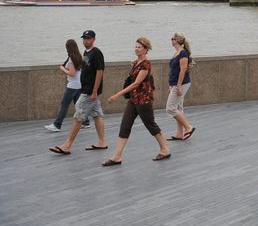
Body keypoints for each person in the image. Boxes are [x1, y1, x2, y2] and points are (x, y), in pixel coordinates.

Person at [102, 37, 170, 165]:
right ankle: (117, 156)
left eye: (139, 47)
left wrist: (117, 95)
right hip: (134, 99)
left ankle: (164, 149)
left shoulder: (145, 64)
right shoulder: (137, 62)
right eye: (136, 47)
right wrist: (134, 64)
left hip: (143, 100)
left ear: (145, 49)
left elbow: (136, 83)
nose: (136, 49)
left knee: (150, 125)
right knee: (125, 126)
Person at [50, 30, 107, 155]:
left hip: (89, 92)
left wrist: (94, 91)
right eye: (84, 38)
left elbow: (99, 72)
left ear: (94, 39)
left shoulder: (96, 53)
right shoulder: (86, 53)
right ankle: (102, 142)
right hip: (86, 89)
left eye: (88, 38)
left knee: (78, 117)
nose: (86, 40)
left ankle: (67, 145)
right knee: (97, 115)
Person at [45, 39, 89, 132]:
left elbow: (72, 73)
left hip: (72, 85)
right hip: (79, 84)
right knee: (78, 105)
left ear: (68, 48)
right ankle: (86, 122)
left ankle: (57, 125)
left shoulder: (72, 59)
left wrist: (63, 69)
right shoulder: (79, 56)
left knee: (64, 105)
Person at [165, 32, 195, 141]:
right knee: (178, 108)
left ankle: (188, 127)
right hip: (174, 84)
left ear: (176, 40)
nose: (171, 40)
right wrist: (171, 86)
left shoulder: (183, 53)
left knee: (170, 109)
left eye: (172, 38)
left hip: (181, 84)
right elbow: (174, 71)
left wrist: (178, 87)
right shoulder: (176, 53)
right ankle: (179, 133)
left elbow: (183, 70)